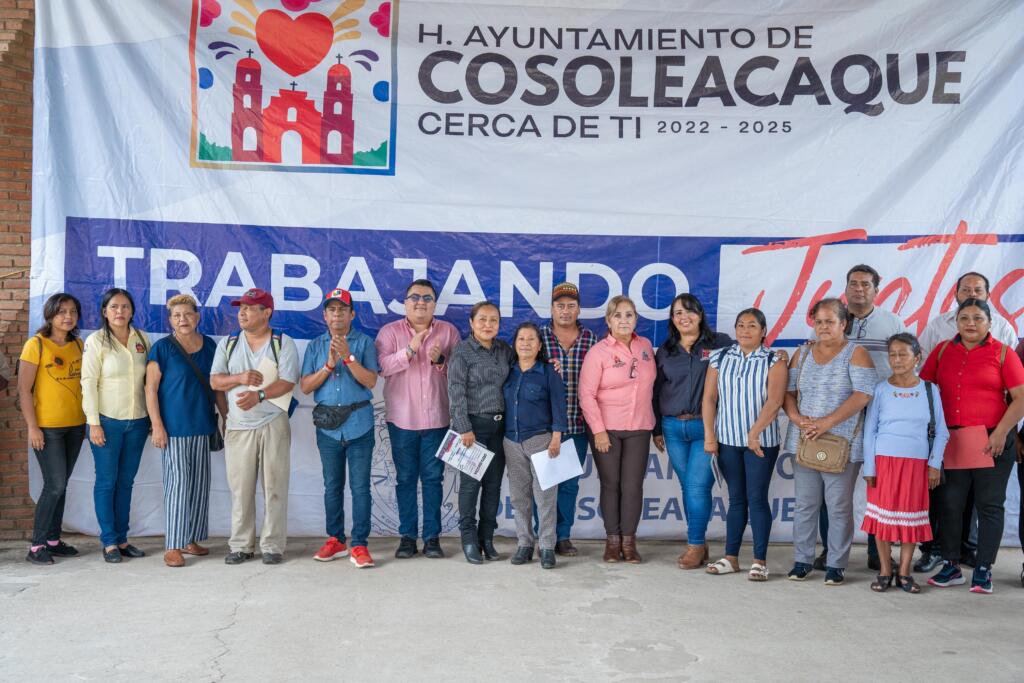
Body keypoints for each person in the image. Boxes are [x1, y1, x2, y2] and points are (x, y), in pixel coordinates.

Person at [920, 298, 1024, 594]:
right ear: (956, 321)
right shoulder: (942, 351)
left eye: (978, 318)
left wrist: (1001, 432)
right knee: (950, 504)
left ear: (990, 323)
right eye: (964, 318)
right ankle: (952, 565)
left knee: (989, 505)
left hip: (993, 439)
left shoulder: (1003, 353)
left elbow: (1021, 398)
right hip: (952, 440)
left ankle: (982, 568)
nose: (970, 323)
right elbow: (924, 389)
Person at [816, 265, 909, 571]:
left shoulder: (891, 322)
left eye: (865, 284)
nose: (859, 289)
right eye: (853, 283)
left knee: (879, 486)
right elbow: (813, 355)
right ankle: (830, 551)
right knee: (832, 487)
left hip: (879, 413)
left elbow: (905, 365)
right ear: (846, 287)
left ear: (876, 290)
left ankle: (877, 552)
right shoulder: (832, 318)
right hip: (838, 414)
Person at [783, 298, 876, 586]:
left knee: (838, 505)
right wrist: (798, 419)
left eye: (830, 321)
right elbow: (788, 393)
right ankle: (803, 560)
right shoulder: (802, 354)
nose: (823, 327)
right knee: (805, 504)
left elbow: (863, 394)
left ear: (843, 323)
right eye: (819, 321)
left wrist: (827, 422)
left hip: (843, 442)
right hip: (805, 440)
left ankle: (836, 564)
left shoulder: (856, 353)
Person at [210, 288, 299, 565]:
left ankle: (272, 545)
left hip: (273, 422)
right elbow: (215, 381)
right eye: (241, 308)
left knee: (274, 486)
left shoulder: (282, 343)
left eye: (250, 308)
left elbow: (288, 382)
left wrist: (259, 394)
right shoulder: (229, 343)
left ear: (267, 312)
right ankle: (241, 545)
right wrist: (240, 377)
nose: (242, 313)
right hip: (238, 426)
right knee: (240, 489)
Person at [375, 279, 460, 559]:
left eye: (426, 298)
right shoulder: (390, 332)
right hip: (402, 421)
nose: (420, 302)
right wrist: (410, 349)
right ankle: (408, 537)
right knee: (406, 479)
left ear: (435, 304)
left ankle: (432, 538)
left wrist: (440, 361)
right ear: (405, 303)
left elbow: (459, 377)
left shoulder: (448, 332)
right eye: (414, 297)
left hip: (437, 419)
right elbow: (383, 368)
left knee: (434, 480)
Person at [702, 308, 787, 581]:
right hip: (727, 440)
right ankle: (731, 558)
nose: (745, 330)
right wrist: (709, 435)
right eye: (741, 325)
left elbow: (774, 401)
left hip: (760, 443)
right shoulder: (720, 356)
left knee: (757, 499)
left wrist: (755, 433)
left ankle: (760, 561)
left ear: (763, 331)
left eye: (752, 325)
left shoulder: (774, 359)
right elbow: (709, 399)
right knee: (736, 499)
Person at [861, 333, 949, 594]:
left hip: (917, 464)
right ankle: (886, 570)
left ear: (917, 358)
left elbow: (942, 432)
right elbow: (870, 431)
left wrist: (934, 464)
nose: (897, 360)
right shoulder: (880, 389)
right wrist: (869, 467)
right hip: (884, 462)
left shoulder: (930, 390)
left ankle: (905, 572)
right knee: (883, 520)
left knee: (911, 520)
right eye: (892, 354)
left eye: (903, 354)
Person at [300, 289, 379, 569]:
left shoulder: (365, 342)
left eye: (342, 309)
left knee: (360, 488)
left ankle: (359, 544)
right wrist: (328, 365)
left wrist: (348, 358)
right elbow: (306, 386)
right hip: (328, 428)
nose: (337, 314)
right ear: (325, 315)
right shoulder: (315, 345)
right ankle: (335, 539)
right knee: (332, 486)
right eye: (332, 310)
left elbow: (371, 381)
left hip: (359, 425)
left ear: (352, 314)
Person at [145, 294, 226, 567]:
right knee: (177, 485)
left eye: (188, 314)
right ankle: (173, 545)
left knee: (199, 486)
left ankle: (191, 538)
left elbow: (216, 386)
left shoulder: (210, 346)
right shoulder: (162, 348)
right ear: (170, 320)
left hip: (202, 426)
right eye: (177, 315)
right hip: (174, 429)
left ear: (197, 316)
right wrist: (157, 425)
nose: (183, 320)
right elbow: (150, 389)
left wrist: (226, 417)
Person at [652, 293, 731, 569]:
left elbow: (749, 356)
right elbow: (656, 390)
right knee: (688, 488)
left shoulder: (720, 344)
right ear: (672, 320)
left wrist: (777, 355)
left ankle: (695, 545)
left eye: (689, 311)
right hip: (672, 427)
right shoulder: (665, 351)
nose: (684, 317)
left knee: (697, 487)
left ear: (700, 314)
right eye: (677, 313)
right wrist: (655, 429)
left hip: (705, 426)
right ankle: (700, 541)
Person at [579, 295, 656, 564]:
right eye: (618, 315)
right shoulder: (598, 352)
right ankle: (612, 542)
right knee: (611, 485)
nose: (624, 320)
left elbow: (652, 387)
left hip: (639, 426)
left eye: (629, 314)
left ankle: (629, 542)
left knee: (633, 486)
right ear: (608, 320)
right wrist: (598, 430)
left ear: (636, 318)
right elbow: (586, 394)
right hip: (606, 429)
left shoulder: (645, 346)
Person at [80, 288, 151, 563]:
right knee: (106, 482)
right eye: (113, 307)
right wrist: (93, 423)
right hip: (107, 422)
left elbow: (149, 382)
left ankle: (122, 539)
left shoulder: (142, 339)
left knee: (126, 483)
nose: (119, 312)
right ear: (104, 312)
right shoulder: (97, 341)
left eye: (124, 307)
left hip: (137, 422)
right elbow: (88, 383)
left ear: (132, 311)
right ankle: (109, 541)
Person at [19, 293, 86, 565]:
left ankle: (53, 540)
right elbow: (24, 390)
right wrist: (33, 427)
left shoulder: (79, 345)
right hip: (47, 429)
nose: (67, 316)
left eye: (72, 311)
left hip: (76, 426)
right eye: (61, 312)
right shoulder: (36, 344)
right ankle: (36, 546)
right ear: (50, 315)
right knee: (54, 485)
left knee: (61, 484)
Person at [447, 301, 512, 564]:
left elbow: (525, 366)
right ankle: (469, 539)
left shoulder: (504, 349)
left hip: (499, 428)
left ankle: (487, 538)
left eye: (493, 320)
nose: (488, 325)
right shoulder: (462, 352)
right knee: (471, 486)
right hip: (472, 429)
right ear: (472, 323)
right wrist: (464, 427)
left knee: (494, 486)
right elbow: (455, 391)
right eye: (482, 320)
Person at [539, 282, 597, 556]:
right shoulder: (538, 338)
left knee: (569, 485)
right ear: (551, 309)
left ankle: (562, 536)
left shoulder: (591, 339)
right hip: (544, 427)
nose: (565, 311)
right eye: (560, 305)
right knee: (545, 485)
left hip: (577, 424)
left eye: (570, 306)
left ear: (578, 309)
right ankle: (545, 538)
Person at [503, 322, 568, 570]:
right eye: (521, 339)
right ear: (515, 344)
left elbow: (559, 405)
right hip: (511, 440)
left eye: (531, 339)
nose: (526, 343)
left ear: (540, 345)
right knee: (520, 497)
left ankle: (548, 546)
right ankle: (524, 544)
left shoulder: (548, 372)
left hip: (541, 440)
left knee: (545, 497)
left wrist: (556, 436)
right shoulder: (508, 371)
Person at [919, 272, 1017, 357]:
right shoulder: (938, 325)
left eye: (978, 290)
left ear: (988, 295)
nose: (972, 294)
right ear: (956, 294)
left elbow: (1015, 362)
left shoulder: (1002, 326)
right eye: (966, 290)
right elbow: (921, 362)